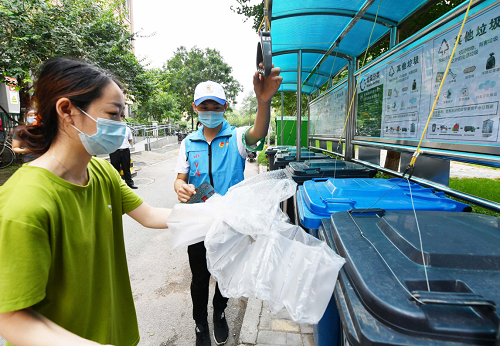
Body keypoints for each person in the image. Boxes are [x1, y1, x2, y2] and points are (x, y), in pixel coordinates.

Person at [0, 57, 172, 346]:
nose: (121, 125)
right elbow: (11, 318)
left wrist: (217, 216)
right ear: (67, 110)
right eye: (113, 114)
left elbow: (150, 214)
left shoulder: (101, 171)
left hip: (117, 334)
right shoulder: (25, 203)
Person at [174, 65, 282, 346]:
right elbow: (179, 179)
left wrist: (263, 100)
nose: (210, 110)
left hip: (230, 221)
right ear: (195, 108)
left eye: (216, 105)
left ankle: (219, 312)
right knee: (199, 278)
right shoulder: (188, 143)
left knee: (226, 274)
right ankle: (200, 324)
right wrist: (181, 188)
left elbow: (259, 131)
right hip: (198, 220)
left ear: (225, 107)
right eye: (204, 105)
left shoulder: (237, 138)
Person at [109, 119, 138, 189]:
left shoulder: (127, 129)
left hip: (125, 151)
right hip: (115, 151)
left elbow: (130, 139)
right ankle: (115, 185)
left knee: (126, 167)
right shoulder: (111, 129)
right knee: (115, 169)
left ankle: (129, 183)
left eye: (121, 118)